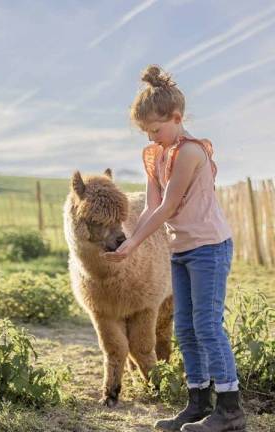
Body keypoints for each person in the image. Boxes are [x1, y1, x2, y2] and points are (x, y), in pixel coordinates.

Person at [103, 65, 245, 432]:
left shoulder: (190, 152)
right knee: (185, 327)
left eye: (156, 129)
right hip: (179, 250)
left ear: (177, 118)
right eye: (146, 132)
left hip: (209, 247)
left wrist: (133, 245)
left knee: (207, 325)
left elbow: (167, 206)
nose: (152, 137)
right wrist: (129, 240)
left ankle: (230, 410)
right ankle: (197, 404)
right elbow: (150, 207)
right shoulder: (155, 154)